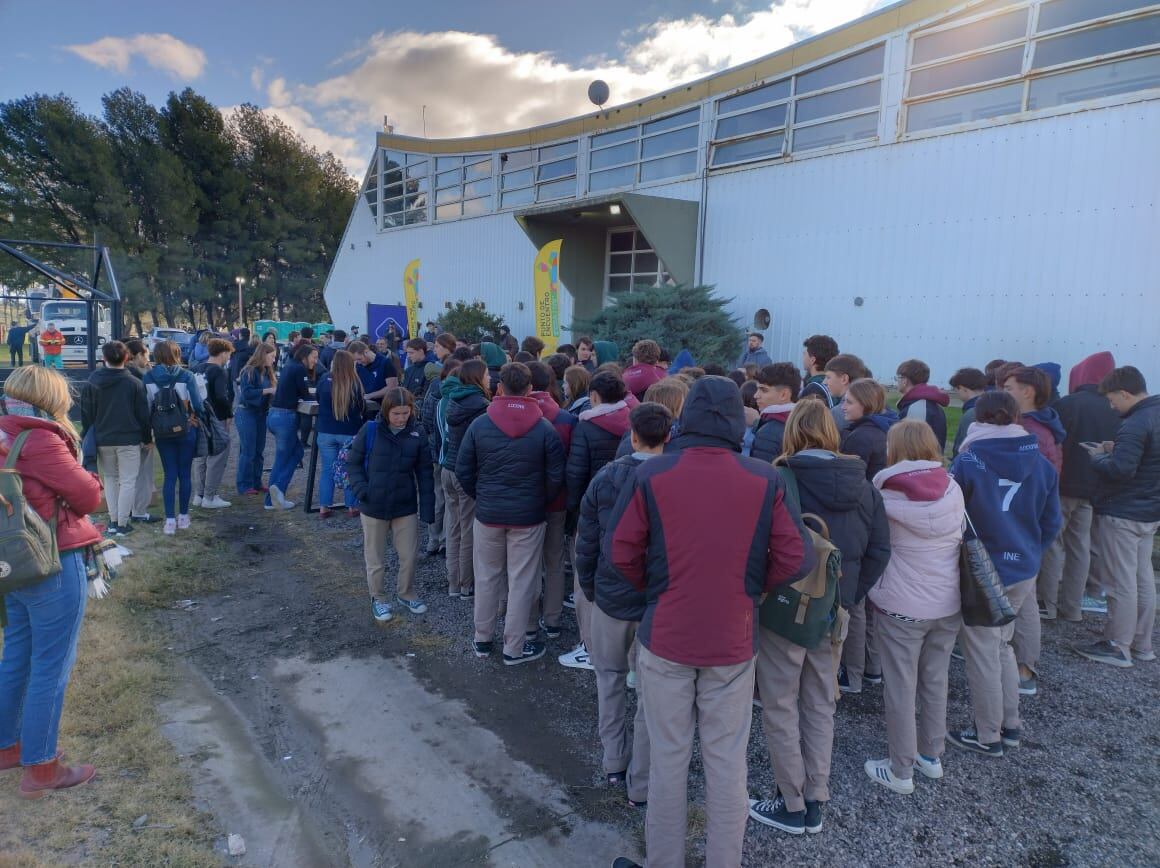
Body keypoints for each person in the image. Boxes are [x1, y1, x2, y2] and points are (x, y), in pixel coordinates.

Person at [608, 376, 811, 867]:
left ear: (687, 416)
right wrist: (751, 588)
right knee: (726, 764)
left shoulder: (652, 474)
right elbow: (795, 557)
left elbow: (622, 552)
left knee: (669, 759)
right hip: (732, 638)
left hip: (668, 635)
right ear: (736, 421)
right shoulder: (763, 478)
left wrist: (656, 590)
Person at [0, 366, 103, 798]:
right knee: (51, 666)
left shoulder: (7, 432)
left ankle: (8, 747)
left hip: (16, 562)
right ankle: (42, 767)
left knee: (18, 656)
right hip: (53, 560)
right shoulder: (40, 438)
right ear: (50, 397)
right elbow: (88, 496)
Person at [948, 392, 1061, 756]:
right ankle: (1010, 724)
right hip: (1022, 568)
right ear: (1016, 417)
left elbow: (953, 517)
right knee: (1001, 647)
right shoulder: (1042, 463)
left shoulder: (969, 460)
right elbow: (1051, 522)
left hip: (983, 570)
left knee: (983, 651)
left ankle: (987, 734)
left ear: (976, 418)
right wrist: (1030, 553)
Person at [577, 402, 671, 809]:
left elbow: (587, 540)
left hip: (612, 596)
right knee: (652, 692)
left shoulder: (607, 477)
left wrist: (591, 587)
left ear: (632, 436)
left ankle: (614, 759)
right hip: (656, 602)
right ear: (668, 438)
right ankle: (642, 780)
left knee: (609, 677)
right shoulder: (674, 478)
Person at [864, 420, 964, 795]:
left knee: (901, 686)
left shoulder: (883, 494)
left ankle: (900, 769)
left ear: (895, 449)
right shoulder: (953, 487)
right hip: (948, 601)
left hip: (903, 606)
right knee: (936, 679)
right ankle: (931, 756)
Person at [456, 362, 565, 665]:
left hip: (489, 514)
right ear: (531, 389)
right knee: (522, 581)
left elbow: (463, 470)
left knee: (488, 577)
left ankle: (482, 639)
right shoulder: (545, 428)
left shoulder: (480, 424)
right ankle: (514, 647)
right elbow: (556, 476)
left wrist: (484, 496)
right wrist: (537, 501)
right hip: (528, 517)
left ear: (499, 388)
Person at [1073, 366, 1160, 668]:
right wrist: (1117, 448)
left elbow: (1122, 470)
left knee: (1121, 582)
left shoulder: (1136, 422)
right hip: (1149, 511)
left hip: (1124, 512)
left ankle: (1117, 646)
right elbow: (1147, 457)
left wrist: (1099, 457)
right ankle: (1141, 644)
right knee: (1142, 578)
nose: (1111, 407)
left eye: (1112, 400)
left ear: (1125, 393)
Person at [1039, 352, 1119, 621]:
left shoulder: (1069, 404)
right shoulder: (1114, 406)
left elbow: (1055, 445)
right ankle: (1072, 607)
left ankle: (1047, 605)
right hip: (1093, 488)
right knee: (1080, 547)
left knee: (1053, 545)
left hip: (1063, 487)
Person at [346, 387, 435, 623]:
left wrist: (427, 508)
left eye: (405, 413)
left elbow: (425, 473)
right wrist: (362, 491)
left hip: (404, 505)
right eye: (396, 413)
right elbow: (352, 463)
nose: (401, 418)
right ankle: (378, 597)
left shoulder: (418, 433)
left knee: (409, 555)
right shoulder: (370, 430)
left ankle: (406, 593)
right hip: (373, 504)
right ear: (386, 411)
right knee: (375, 558)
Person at [563, 371, 631, 670]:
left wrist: (572, 512)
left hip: (592, 511)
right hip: (628, 512)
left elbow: (576, 474)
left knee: (585, 580)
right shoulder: (634, 420)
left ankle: (589, 647)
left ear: (593, 397)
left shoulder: (587, 426)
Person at [81, 341, 151, 536]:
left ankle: (114, 521)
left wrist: (87, 434)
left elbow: (86, 413)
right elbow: (143, 416)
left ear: (104, 358)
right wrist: (147, 438)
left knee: (111, 479)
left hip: (103, 438)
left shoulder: (93, 381)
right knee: (128, 481)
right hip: (129, 439)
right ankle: (121, 523)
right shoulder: (134, 383)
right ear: (126, 358)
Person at [528, 361, 576, 639]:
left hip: (526, 502)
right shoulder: (567, 419)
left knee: (528, 563)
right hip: (557, 500)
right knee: (555, 559)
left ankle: (530, 620)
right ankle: (554, 618)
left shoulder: (514, 418)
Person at [438, 359, 491, 598]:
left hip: (447, 468)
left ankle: (452, 582)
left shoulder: (452, 400)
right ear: (478, 377)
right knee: (468, 529)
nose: (489, 378)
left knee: (453, 526)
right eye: (487, 374)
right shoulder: (480, 404)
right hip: (465, 472)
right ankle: (466, 584)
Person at [143, 340, 204, 535]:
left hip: (162, 433)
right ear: (177, 354)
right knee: (185, 473)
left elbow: (146, 407)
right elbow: (198, 404)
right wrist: (194, 417)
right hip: (186, 429)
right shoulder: (186, 375)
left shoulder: (149, 377)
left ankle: (169, 520)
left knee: (170, 474)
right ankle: (184, 517)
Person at [265, 343, 317, 510]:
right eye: (314, 357)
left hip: (274, 415)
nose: (316, 361)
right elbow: (305, 395)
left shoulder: (290, 365)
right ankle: (275, 493)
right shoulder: (299, 369)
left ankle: (275, 495)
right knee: (283, 458)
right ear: (305, 356)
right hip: (285, 417)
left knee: (296, 453)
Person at [316, 349, 365, 517]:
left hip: (325, 430)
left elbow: (318, 400)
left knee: (327, 469)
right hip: (349, 431)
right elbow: (361, 407)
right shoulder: (354, 381)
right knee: (350, 468)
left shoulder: (324, 379)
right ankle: (351, 505)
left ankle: (324, 506)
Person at [190, 338, 234, 510]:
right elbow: (222, 396)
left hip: (200, 416)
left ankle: (198, 495)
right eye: (228, 354)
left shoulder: (197, 368)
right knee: (218, 453)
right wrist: (229, 414)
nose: (228, 358)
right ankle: (210, 495)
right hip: (216, 417)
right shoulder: (219, 371)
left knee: (201, 455)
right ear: (223, 353)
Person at [1003, 367, 1065, 473]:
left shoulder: (1030, 432)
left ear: (1027, 392)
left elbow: (1032, 479)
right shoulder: (1043, 422)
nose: (1002, 393)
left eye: (1008, 389)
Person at [235, 344, 277, 496]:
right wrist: (269, 390)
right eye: (271, 356)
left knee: (259, 451)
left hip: (260, 414)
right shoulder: (249, 371)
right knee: (248, 451)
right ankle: (244, 485)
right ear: (263, 355)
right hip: (246, 413)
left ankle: (256, 482)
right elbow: (247, 394)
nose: (274, 360)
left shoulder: (267, 372)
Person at [840, 378, 898, 482]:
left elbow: (849, 480)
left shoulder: (860, 437)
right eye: (844, 400)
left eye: (849, 402)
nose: (843, 407)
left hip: (869, 495)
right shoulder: (893, 427)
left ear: (866, 404)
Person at [896, 359, 951, 451]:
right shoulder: (924, 404)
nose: (896, 381)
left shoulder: (917, 409)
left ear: (905, 380)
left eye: (897, 378)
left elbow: (913, 449)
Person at [749, 362, 800, 462]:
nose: (756, 395)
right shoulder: (807, 421)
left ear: (784, 395)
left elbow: (762, 474)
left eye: (763, 390)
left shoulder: (768, 433)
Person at [823, 353, 868, 432]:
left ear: (844, 379)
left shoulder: (838, 413)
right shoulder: (876, 406)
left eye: (828, 377)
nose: (824, 382)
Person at [949, 367, 988, 455]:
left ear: (963, 389)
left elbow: (962, 447)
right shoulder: (994, 405)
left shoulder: (971, 414)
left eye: (956, 390)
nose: (957, 394)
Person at [800, 335, 839, 406]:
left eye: (804, 354)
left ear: (812, 360)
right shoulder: (837, 385)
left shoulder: (813, 388)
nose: (803, 358)